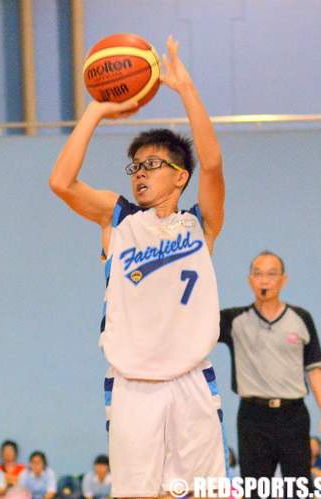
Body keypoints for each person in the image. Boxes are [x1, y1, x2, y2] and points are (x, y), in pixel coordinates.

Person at [49, 36, 226, 498]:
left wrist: (185, 89)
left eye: (152, 164)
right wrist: (96, 111)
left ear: (179, 176)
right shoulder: (119, 219)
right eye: (135, 166)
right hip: (133, 386)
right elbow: (60, 182)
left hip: (191, 379)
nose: (140, 172)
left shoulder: (200, 225)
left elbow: (212, 162)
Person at [219, 250, 321, 487]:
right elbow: (194, 325)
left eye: (272, 274)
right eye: (258, 274)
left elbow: (314, 370)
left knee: (298, 486)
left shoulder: (301, 318)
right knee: (256, 487)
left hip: (293, 415)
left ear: (284, 279)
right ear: (250, 279)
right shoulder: (233, 320)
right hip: (253, 416)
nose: (264, 280)